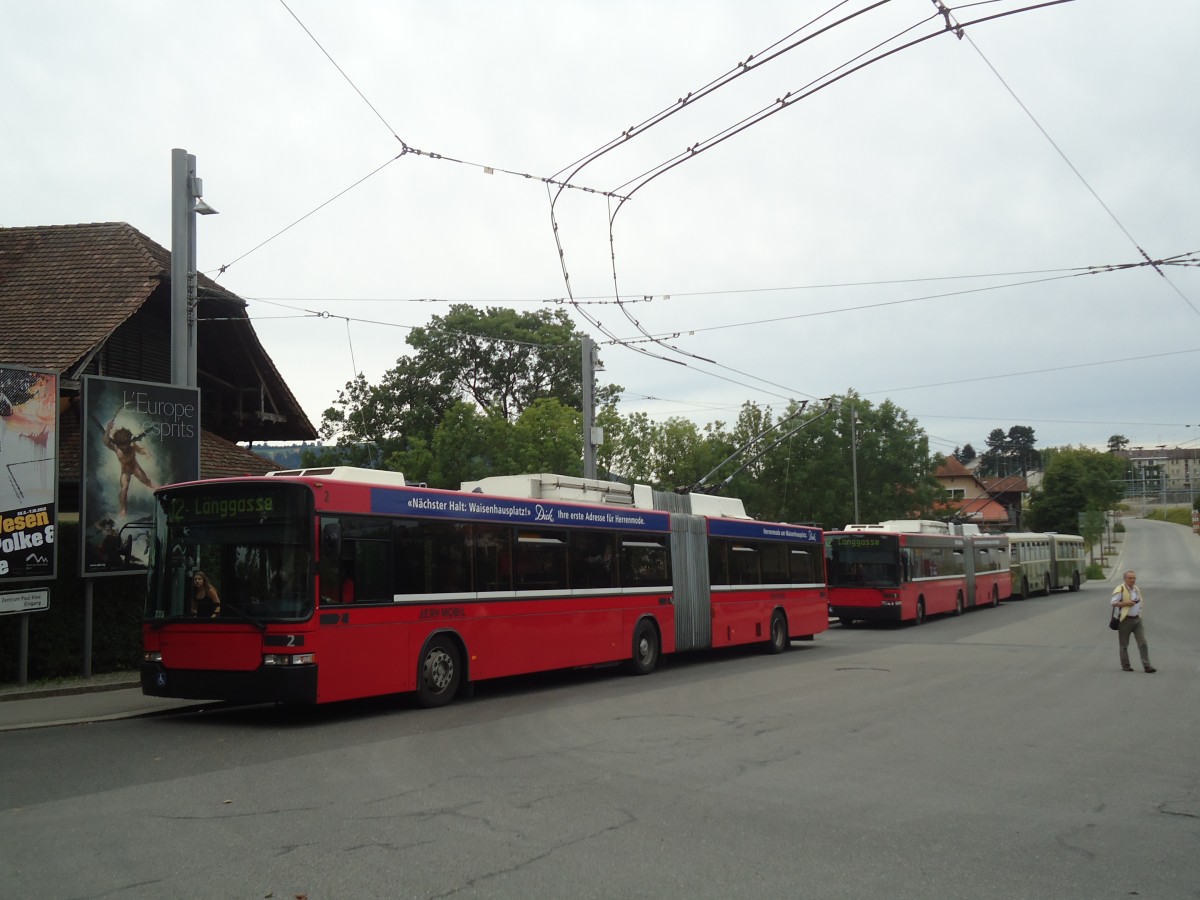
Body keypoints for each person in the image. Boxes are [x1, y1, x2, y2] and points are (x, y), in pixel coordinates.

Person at [102, 414, 157, 518]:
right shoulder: (116, 448)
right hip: (125, 470)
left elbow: (141, 450)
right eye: (122, 445)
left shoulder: (131, 445)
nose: (124, 447)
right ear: (118, 444)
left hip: (135, 467)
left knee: (147, 482)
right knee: (124, 489)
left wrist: (147, 453)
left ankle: (162, 489)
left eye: (126, 444)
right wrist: (108, 429)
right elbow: (105, 442)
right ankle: (123, 509)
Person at [1110, 569, 1155, 673]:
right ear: (1125, 579)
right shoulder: (1120, 589)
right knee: (1124, 645)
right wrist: (1127, 603)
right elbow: (1113, 602)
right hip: (1125, 620)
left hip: (1137, 619)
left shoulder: (1136, 589)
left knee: (1143, 643)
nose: (1132, 580)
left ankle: (1147, 666)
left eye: (1134, 578)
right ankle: (1126, 665)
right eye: (1130, 578)